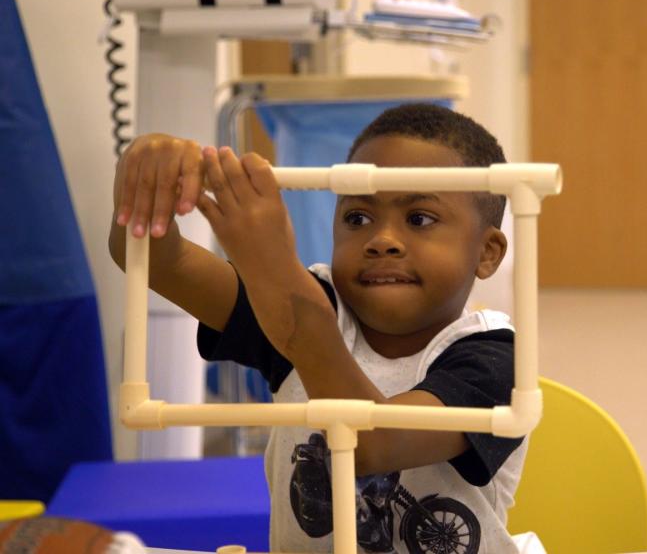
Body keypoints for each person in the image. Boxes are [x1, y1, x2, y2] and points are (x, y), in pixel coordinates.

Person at [108, 104, 527, 553]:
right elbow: (158, 261)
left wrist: (277, 276)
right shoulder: (309, 299)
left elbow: (369, 444)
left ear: (487, 252)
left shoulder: (496, 361)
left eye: (419, 218)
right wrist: (145, 181)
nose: (381, 239)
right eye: (357, 219)